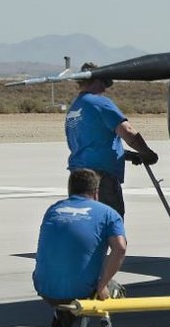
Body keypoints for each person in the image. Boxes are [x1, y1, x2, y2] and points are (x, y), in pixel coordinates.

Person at [32, 169, 127, 327]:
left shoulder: (53, 209)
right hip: (81, 290)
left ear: (70, 190)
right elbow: (120, 248)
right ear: (96, 192)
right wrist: (102, 284)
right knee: (115, 289)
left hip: (44, 287)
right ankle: (83, 312)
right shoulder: (108, 214)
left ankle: (62, 312)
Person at [64, 63, 158, 216]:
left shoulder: (75, 108)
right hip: (99, 177)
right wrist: (146, 152)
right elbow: (127, 131)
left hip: (77, 177)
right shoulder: (100, 103)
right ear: (95, 81)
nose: (105, 89)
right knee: (110, 224)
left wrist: (128, 155)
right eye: (103, 83)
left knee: (86, 222)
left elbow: (90, 143)